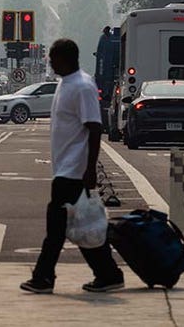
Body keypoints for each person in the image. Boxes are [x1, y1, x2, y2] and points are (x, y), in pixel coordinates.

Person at [21, 38, 125, 295]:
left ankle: (44, 277)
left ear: (66, 59)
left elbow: (94, 127)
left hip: (74, 170)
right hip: (64, 167)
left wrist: (90, 169)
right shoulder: (65, 84)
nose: (51, 63)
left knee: (57, 227)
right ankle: (108, 273)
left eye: (54, 59)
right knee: (81, 225)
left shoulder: (82, 86)